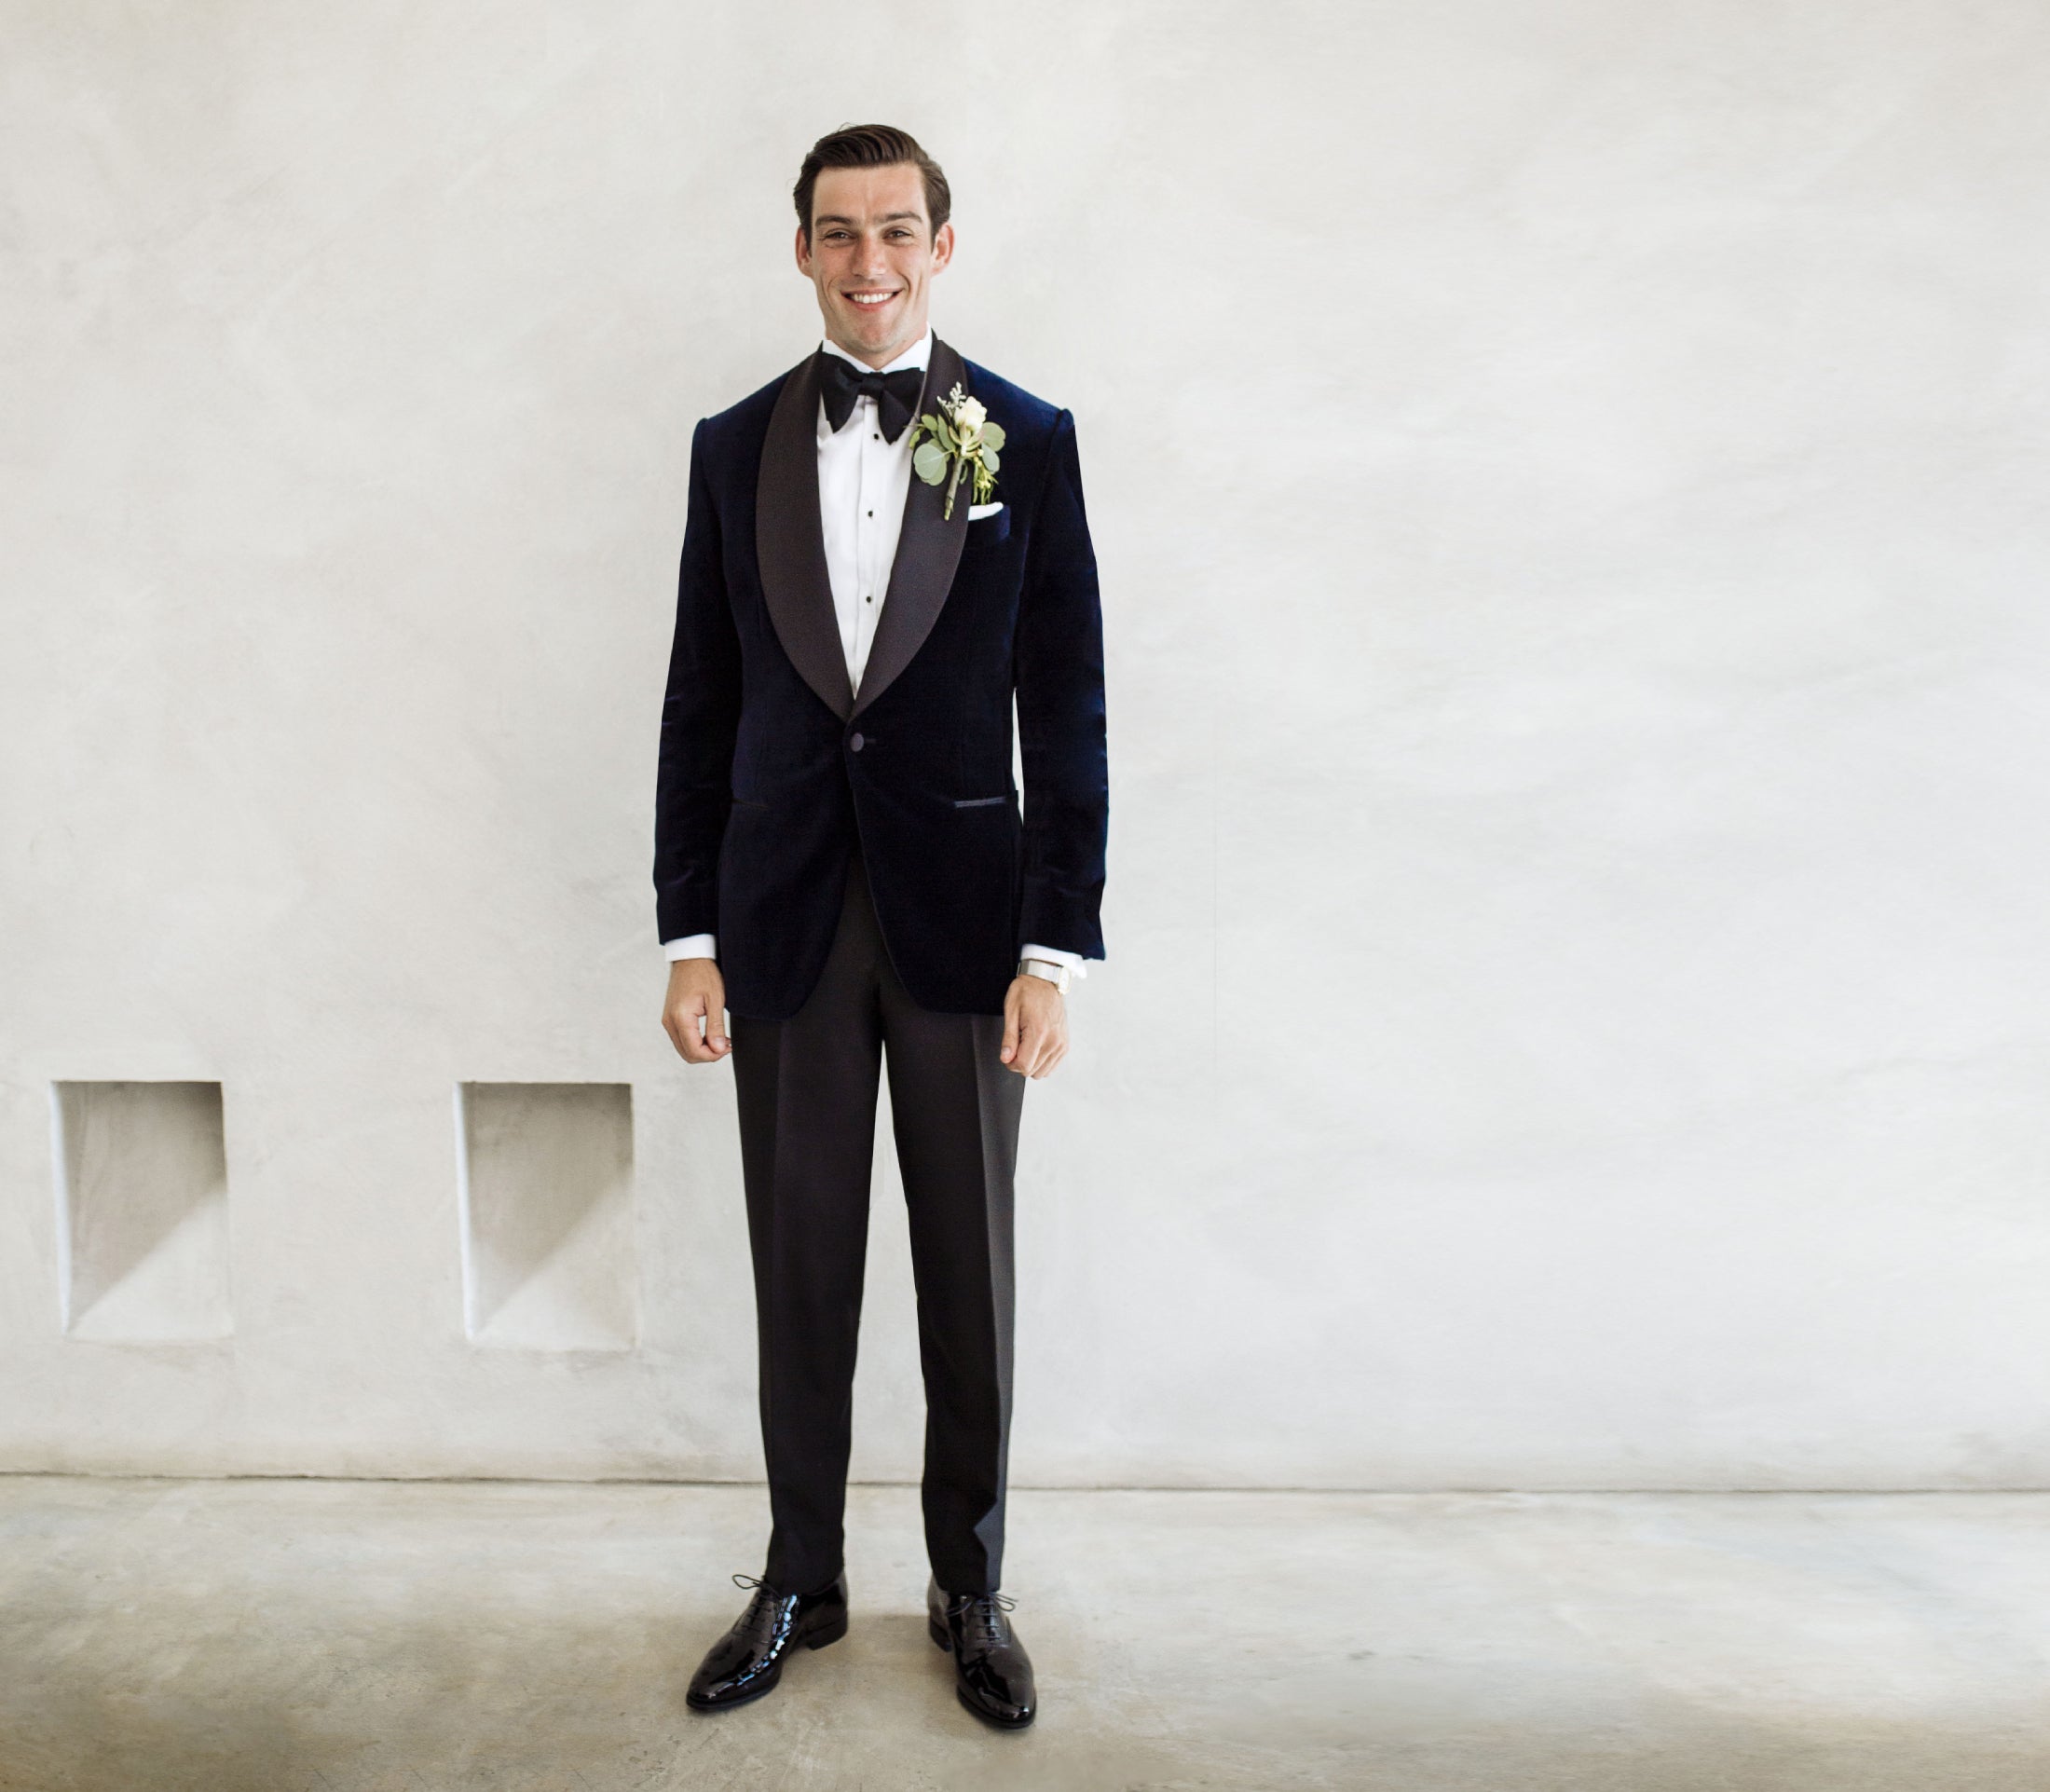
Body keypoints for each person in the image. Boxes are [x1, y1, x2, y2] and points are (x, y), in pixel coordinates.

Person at [653, 123, 1108, 1730]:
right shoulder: (731, 446)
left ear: (943, 245)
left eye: (897, 231)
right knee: (801, 1266)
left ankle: (969, 1587)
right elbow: (700, 699)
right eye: (838, 233)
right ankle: (800, 1578)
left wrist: (1053, 947)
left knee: (965, 1273)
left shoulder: (1023, 440)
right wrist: (684, 931)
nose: (869, 261)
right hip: (776, 921)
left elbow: (1066, 708)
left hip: (966, 927)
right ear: (800, 250)